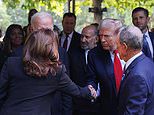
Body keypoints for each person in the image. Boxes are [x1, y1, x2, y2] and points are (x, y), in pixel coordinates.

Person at [0, 28, 96, 115]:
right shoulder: (56, 71)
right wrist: (90, 91)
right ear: (51, 48)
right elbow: (77, 91)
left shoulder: (11, 63)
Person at [11, 12, 71, 115]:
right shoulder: (17, 55)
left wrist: (67, 112)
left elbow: (67, 89)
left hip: (54, 109)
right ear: (31, 29)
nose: (45, 34)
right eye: (41, 30)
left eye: (49, 30)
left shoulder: (61, 53)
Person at [86, 18, 125, 115]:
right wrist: (92, 89)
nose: (102, 40)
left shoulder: (129, 50)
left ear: (118, 35)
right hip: (106, 108)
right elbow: (92, 79)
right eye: (100, 36)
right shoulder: (94, 55)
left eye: (107, 36)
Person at [117, 25, 154, 115]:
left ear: (124, 47)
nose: (117, 50)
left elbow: (134, 112)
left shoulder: (137, 76)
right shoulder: (147, 62)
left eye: (118, 46)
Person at [69, 25, 100, 115]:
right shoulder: (73, 54)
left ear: (96, 39)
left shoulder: (103, 55)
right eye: (82, 36)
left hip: (100, 105)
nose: (82, 40)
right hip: (78, 105)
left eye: (87, 37)